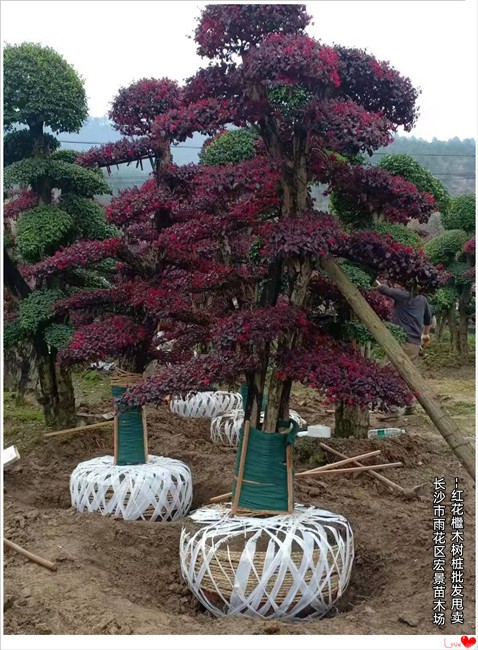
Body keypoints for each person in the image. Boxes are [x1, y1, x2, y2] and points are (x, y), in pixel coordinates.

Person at [374, 280, 432, 419]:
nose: (396, 285)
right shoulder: (422, 300)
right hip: (414, 344)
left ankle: (392, 409)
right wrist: (425, 334)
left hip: (400, 342)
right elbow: (428, 320)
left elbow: (383, 289)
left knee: (390, 373)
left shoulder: (401, 295)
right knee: (407, 374)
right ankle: (410, 405)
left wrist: (376, 281)